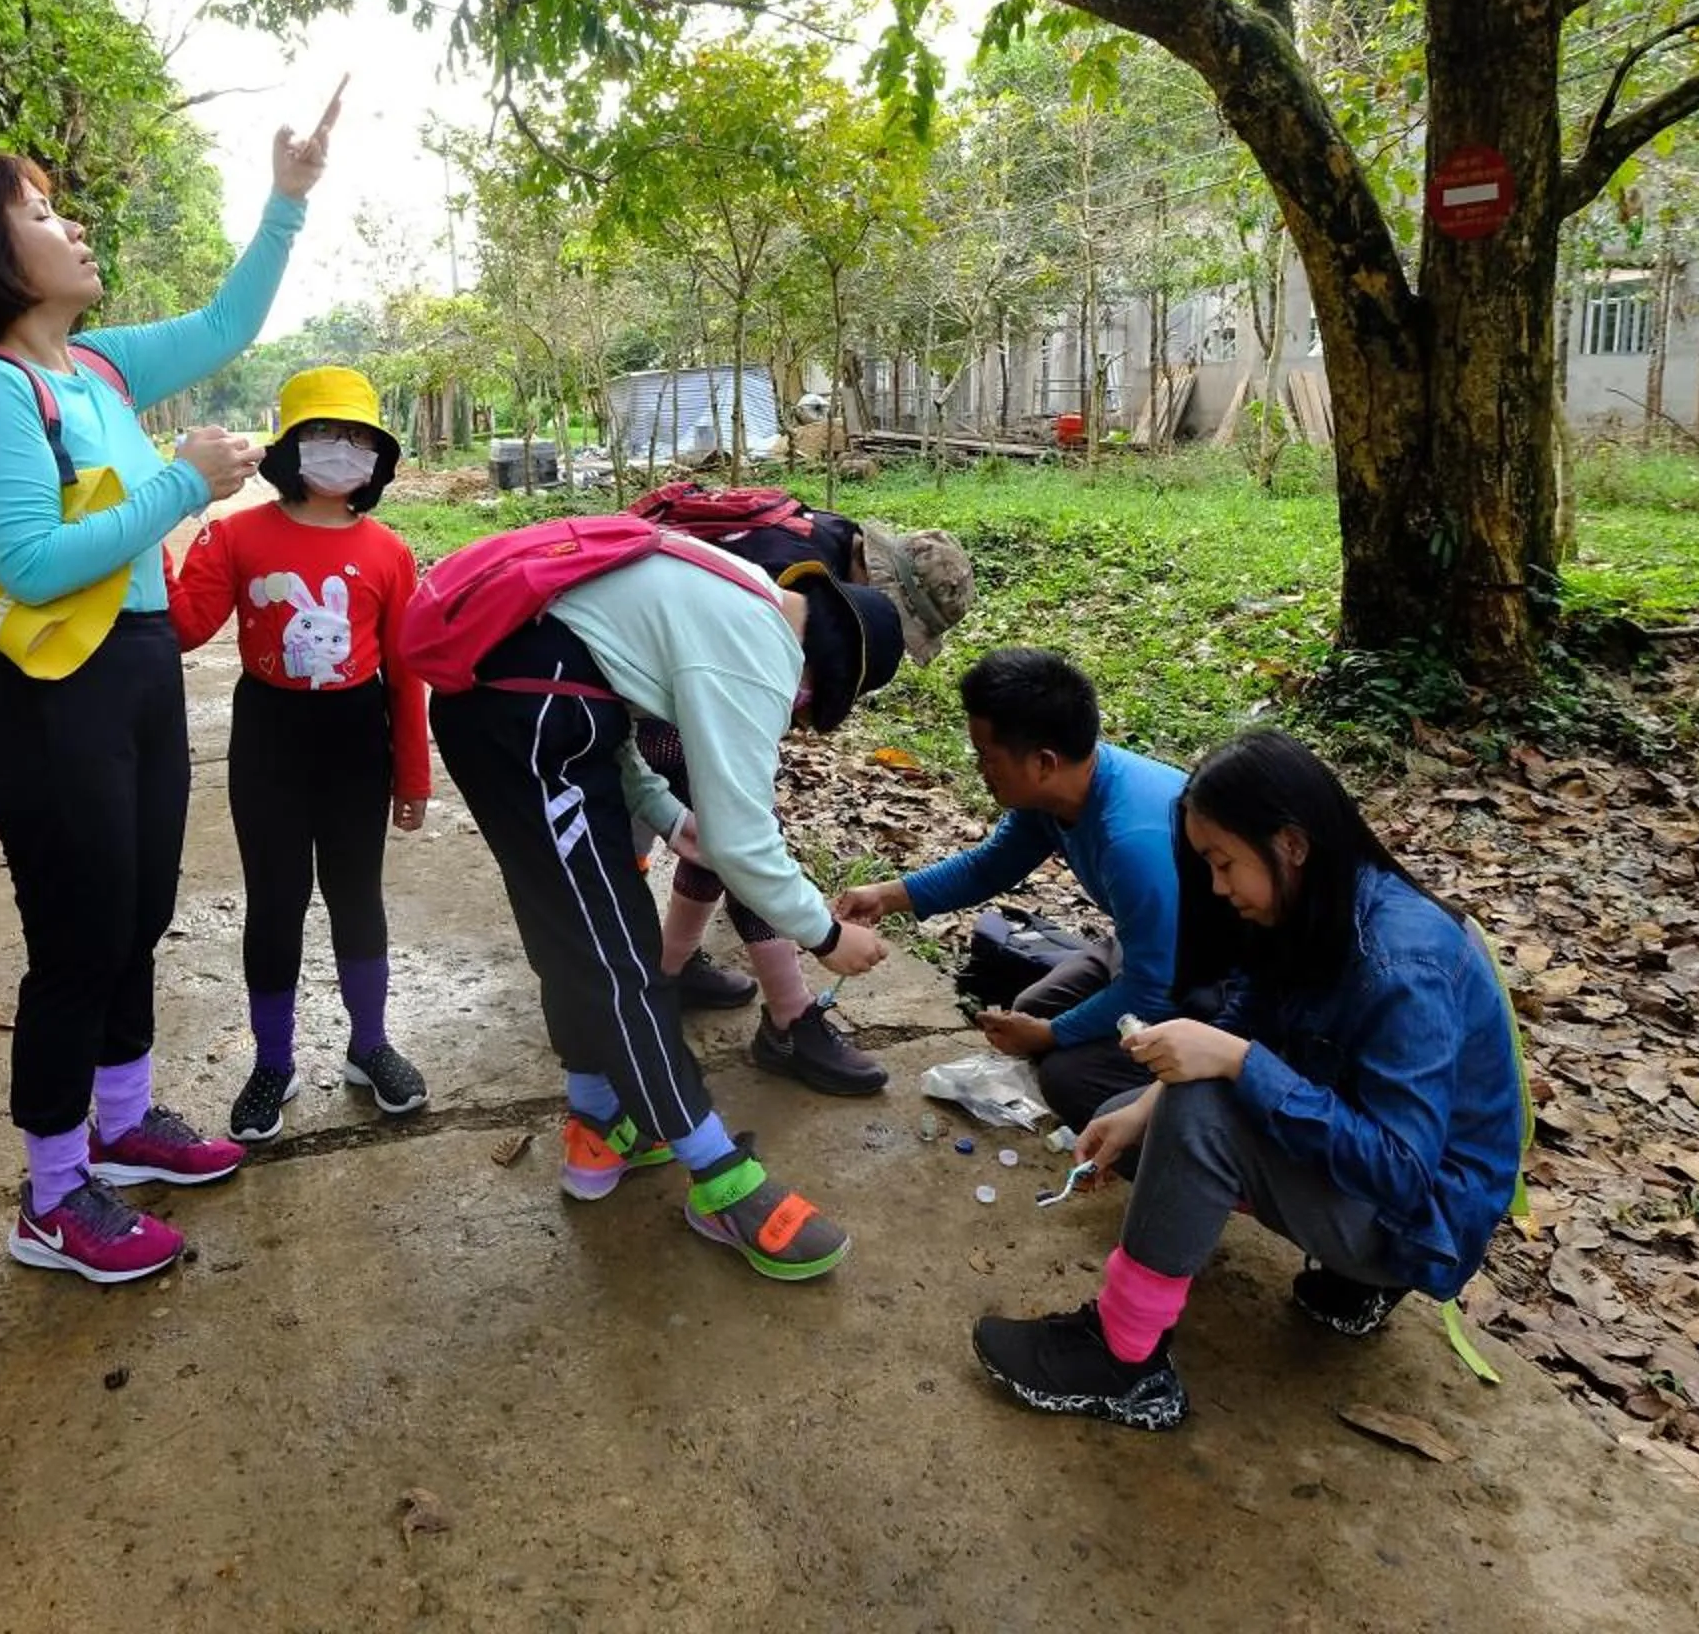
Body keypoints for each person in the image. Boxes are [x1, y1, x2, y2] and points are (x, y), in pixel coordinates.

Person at [0, 84, 341, 1287]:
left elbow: (226, 325)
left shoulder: (91, 367)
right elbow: (28, 565)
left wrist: (286, 200)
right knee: (76, 936)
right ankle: (49, 1192)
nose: (71, 224)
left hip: (134, 671)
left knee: (137, 910)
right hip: (51, 695)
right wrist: (187, 484)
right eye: (40, 209)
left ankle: (123, 1125)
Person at [970, 729, 1524, 1429]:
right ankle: (1350, 1284)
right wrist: (1144, 1108)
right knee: (1135, 1113)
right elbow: (1248, 1015)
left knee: (1200, 1107)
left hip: (1413, 1222)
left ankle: (1124, 1358)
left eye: (1224, 862)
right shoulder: (1313, 903)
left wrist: (1235, 1066)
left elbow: (1402, 1171)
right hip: (1366, 1164)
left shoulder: (1401, 966)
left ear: (1290, 844)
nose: (1216, 886)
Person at [428, 533, 905, 1281]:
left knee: (573, 940)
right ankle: (722, 1181)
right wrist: (823, 932)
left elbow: (611, 693)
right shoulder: (759, 654)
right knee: (623, 964)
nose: (799, 712)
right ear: (826, 676)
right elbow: (746, 843)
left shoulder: (739, 589)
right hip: (535, 727)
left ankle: (598, 1123)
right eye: (812, 706)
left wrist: (671, 818)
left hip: (520, 714)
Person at [632, 489, 976, 1096]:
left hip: (672, 685)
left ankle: (670, 970)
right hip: (660, 696)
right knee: (737, 836)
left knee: (718, 834)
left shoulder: (827, 540)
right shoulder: (789, 570)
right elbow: (741, 827)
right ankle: (788, 1018)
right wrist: (823, 933)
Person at [168, 365, 431, 1144]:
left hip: (357, 740)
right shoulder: (237, 535)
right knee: (276, 903)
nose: (340, 451)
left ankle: (370, 1045)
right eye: (323, 433)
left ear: (377, 459)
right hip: (269, 738)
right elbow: (186, 626)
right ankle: (273, 1062)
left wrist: (412, 774)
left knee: (358, 897)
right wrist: (150, 540)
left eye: (357, 438)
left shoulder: (388, 551)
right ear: (289, 447)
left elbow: (405, 674)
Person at [831, 648, 1181, 1134]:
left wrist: (1053, 1035)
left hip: (1209, 983)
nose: (979, 769)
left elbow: (1156, 988)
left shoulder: (1130, 843)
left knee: (1067, 1077)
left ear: (1042, 762)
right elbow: (989, 867)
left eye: (987, 758)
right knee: (1030, 1011)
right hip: (1146, 949)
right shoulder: (1061, 787)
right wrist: (887, 896)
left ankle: (1188, 1123)